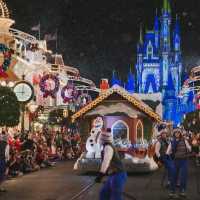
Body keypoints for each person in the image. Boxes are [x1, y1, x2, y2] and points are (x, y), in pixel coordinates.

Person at [95, 128, 127, 200]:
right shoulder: (105, 147)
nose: (98, 141)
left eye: (99, 139)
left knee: (115, 197)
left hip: (118, 174)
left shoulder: (108, 147)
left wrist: (101, 174)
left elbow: (106, 161)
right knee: (104, 193)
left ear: (102, 139)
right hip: (113, 175)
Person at [166, 127, 191, 198]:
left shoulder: (184, 140)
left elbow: (189, 148)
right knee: (173, 176)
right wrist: (168, 158)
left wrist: (189, 149)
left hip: (184, 161)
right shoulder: (172, 142)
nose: (177, 133)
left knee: (183, 176)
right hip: (175, 161)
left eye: (178, 132)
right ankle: (172, 192)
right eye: (176, 132)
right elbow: (167, 152)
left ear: (180, 134)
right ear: (174, 134)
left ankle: (182, 191)